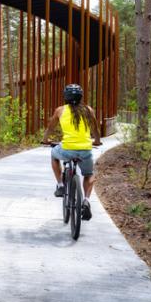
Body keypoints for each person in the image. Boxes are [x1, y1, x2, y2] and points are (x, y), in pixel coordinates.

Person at [42, 84, 101, 221]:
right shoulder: (88, 110)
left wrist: (45, 140)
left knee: (54, 154)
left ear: (65, 97)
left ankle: (61, 185)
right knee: (89, 174)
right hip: (85, 150)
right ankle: (86, 200)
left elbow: (50, 128)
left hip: (67, 149)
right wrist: (96, 141)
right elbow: (96, 130)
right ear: (81, 97)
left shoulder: (60, 110)